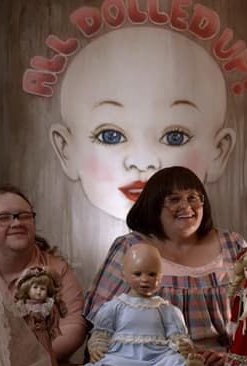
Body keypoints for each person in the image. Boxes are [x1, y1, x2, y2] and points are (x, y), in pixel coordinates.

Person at [48, 27, 237, 221]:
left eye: (175, 137)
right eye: (111, 136)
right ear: (66, 149)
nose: (142, 162)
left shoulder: (228, 239)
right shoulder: (118, 244)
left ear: (218, 152)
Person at [85, 166, 247, 366]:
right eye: (174, 199)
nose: (186, 206)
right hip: (151, 365)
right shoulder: (130, 247)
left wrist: (233, 358)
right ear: (154, 206)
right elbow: (100, 319)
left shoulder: (233, 244)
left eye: (193, 198)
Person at [0, 184, 86, 363]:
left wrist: (33, 363)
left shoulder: (57, 269)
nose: (17, 223)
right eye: (3, 218)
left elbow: (73, 327)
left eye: (24, 216)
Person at [73, 243, 218, 366]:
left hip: (158, 357)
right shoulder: (115, 306)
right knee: (111, 363)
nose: (145, 279)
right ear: (124, 275)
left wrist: (184, 347)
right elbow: (103, 333)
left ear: (160, 277)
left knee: (174, 361)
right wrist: (97, 347)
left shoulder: (165, 309)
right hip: (124, 356)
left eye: (152, 274)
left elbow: (176, 335)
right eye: (137, 274)